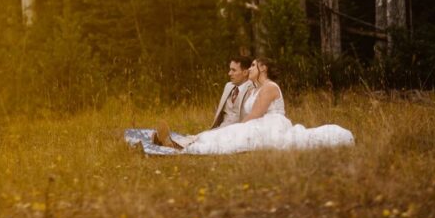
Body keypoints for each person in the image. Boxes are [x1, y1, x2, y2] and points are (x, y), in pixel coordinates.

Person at [149, 58, 354, 155]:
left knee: (231, 139)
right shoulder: (256, 89)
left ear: (263, 68)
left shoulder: (270, 87)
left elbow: (255, 114)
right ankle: (176, 143)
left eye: (254, 65)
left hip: (270, 124)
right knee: (222, 135)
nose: (251, 69)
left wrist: (235, 128)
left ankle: (182, 147)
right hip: (259, 123)